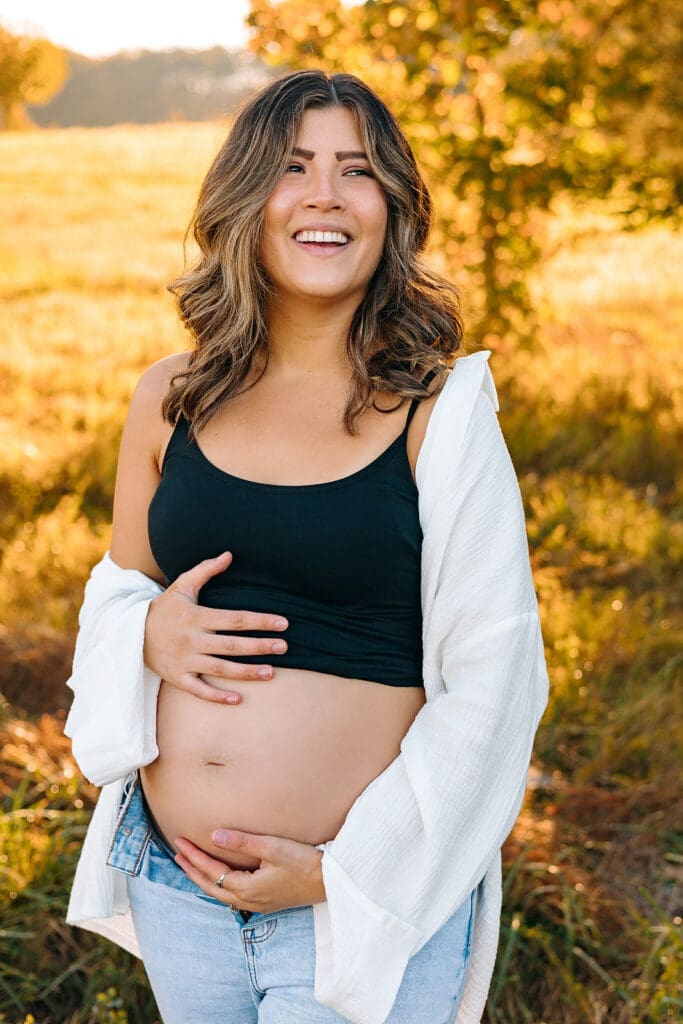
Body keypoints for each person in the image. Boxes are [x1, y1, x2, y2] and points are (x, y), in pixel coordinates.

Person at [64, 70, 549, 1024]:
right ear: (248, 196)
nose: (324, 193)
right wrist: (147, 638)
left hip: (355, 907)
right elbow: (117, 592)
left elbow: (497, 680)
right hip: (176, 889)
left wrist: (343, 873)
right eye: (294, 167)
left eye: (356, 170)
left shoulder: (436, 415)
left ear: (392, 210)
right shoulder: (171, 397)